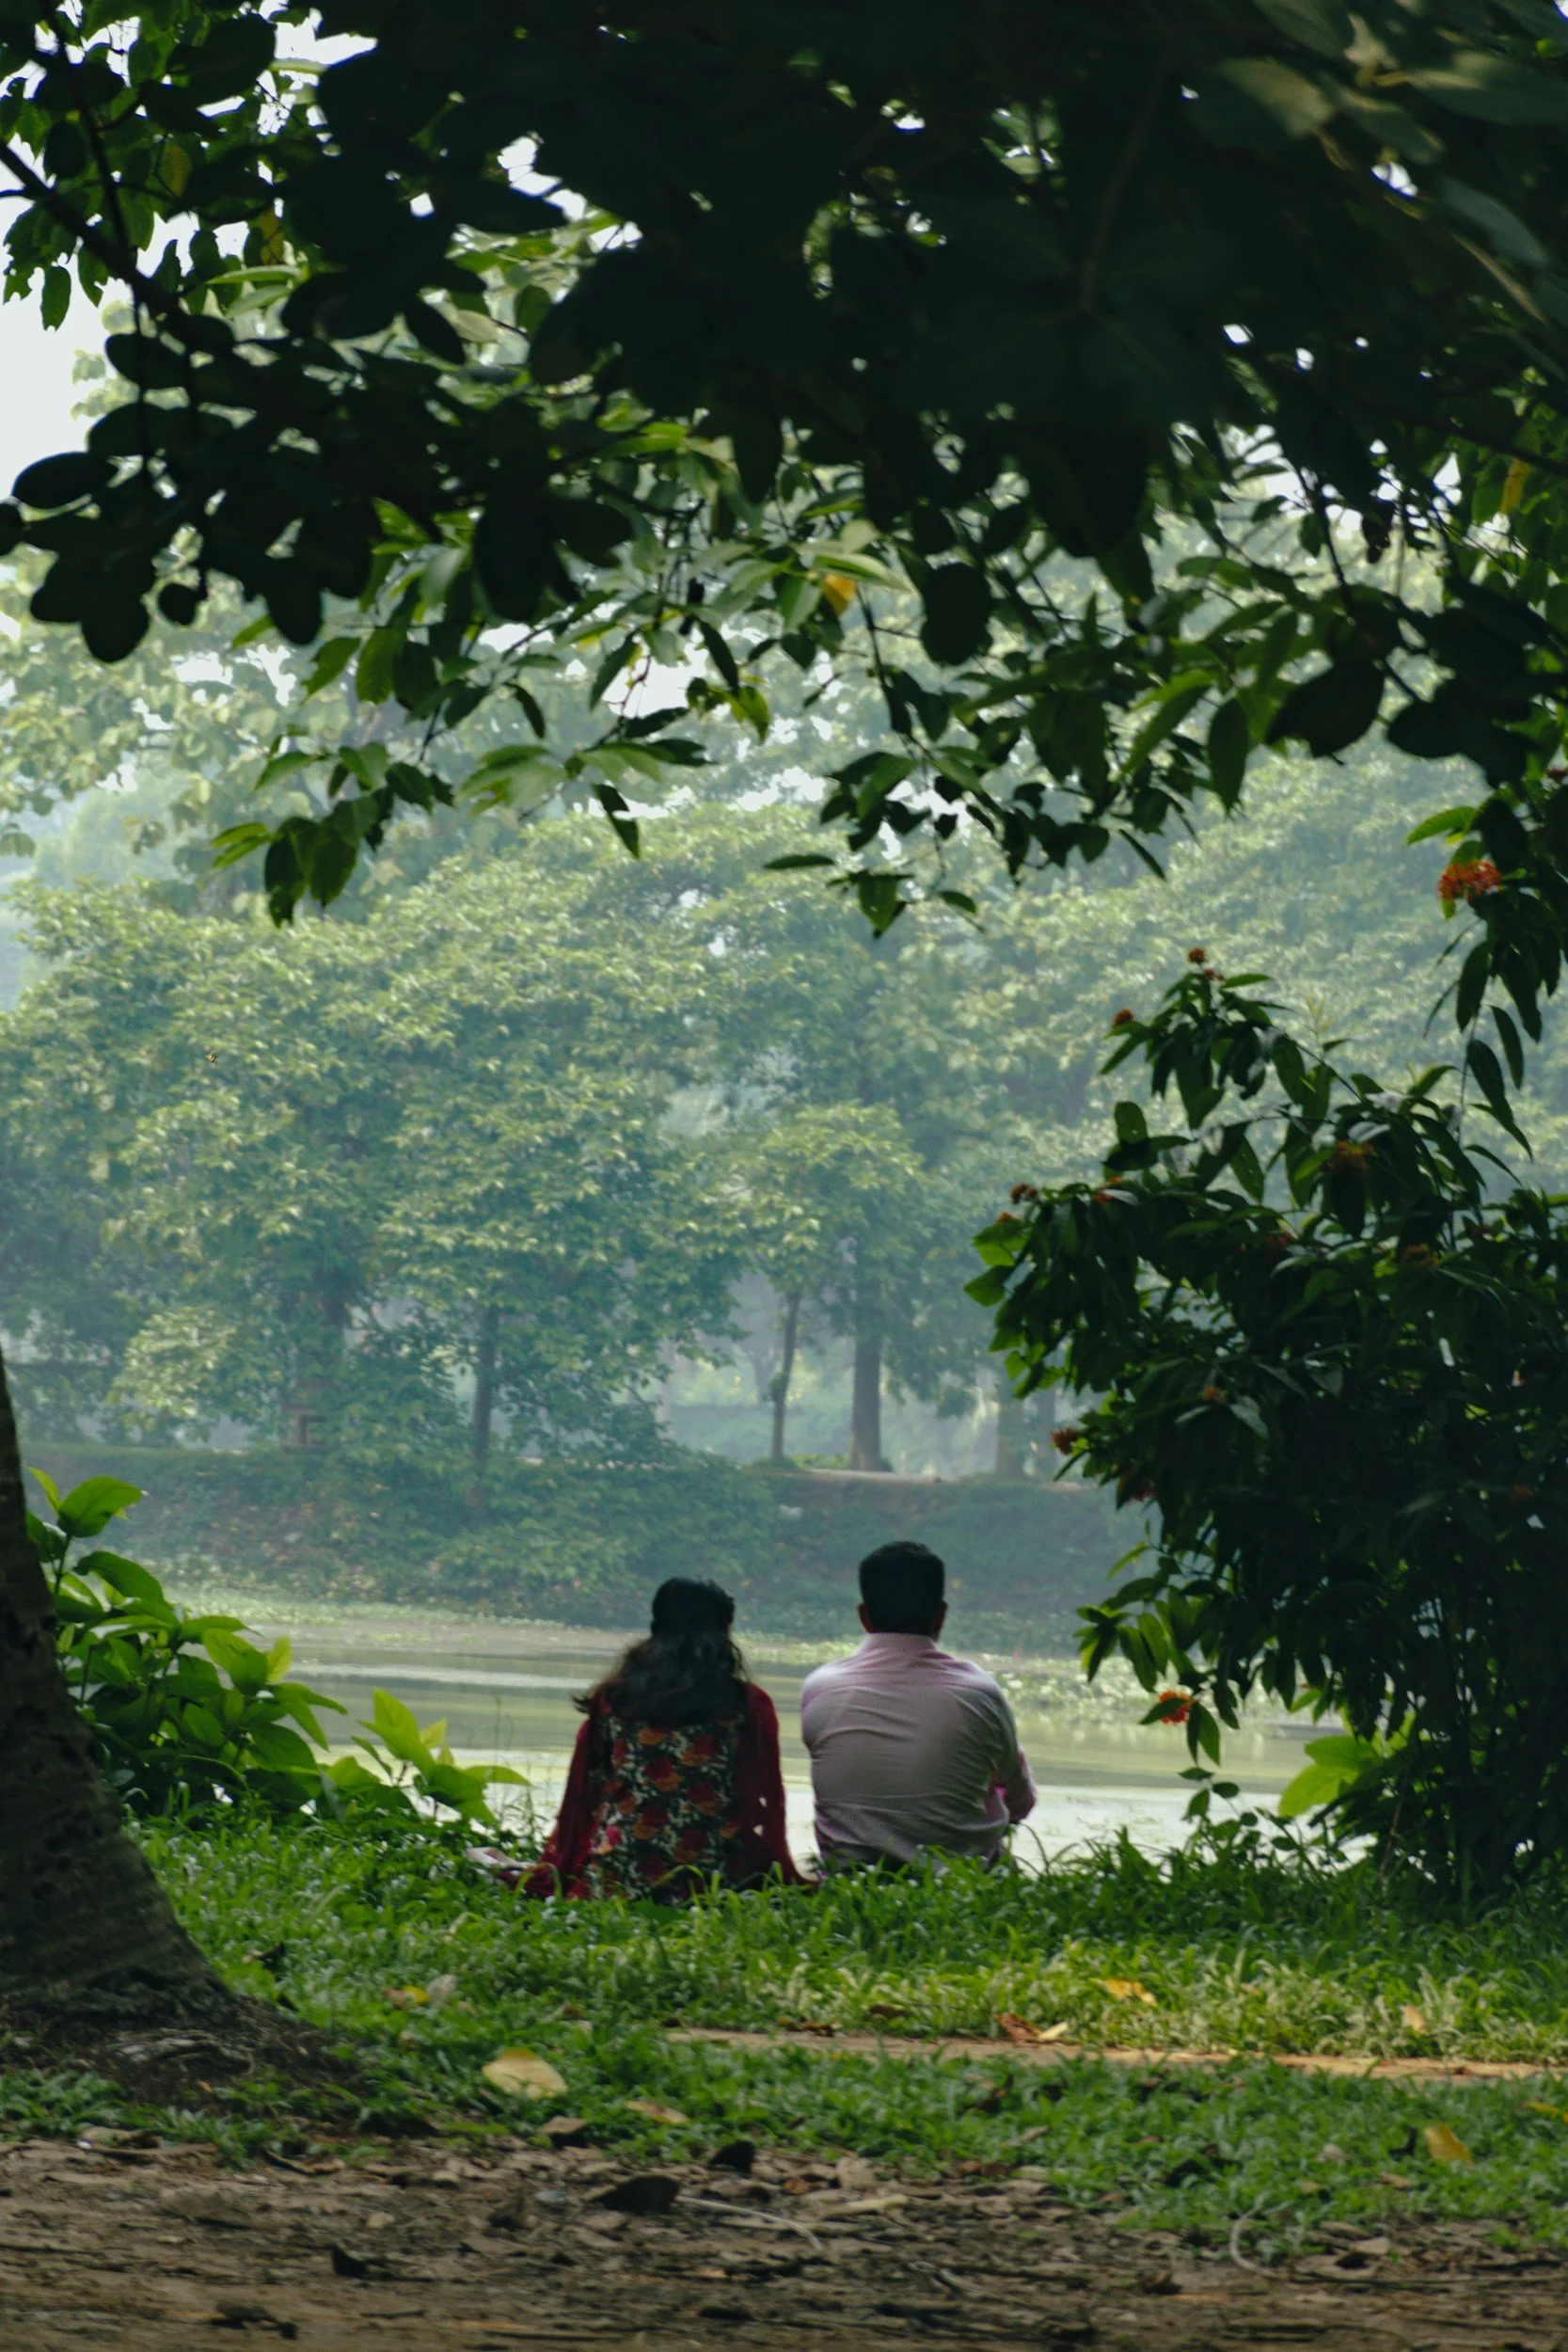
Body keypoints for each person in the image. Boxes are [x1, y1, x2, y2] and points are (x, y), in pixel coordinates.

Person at [522, 1577, 802, 1899]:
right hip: (716, 1880)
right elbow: (757, 1792)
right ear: (725, 1630)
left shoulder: (615, 1699)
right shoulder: (747, 1705)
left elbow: (590, 1792)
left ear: (656, 1625)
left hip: (618, 1875)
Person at [800, 1540, 1036, 1870]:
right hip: (961, 1885)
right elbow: (1021, 1801)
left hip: (849, 1880)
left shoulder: (820, 1689)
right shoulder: (979, 1693)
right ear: (940, 1616)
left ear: (863, 1616)